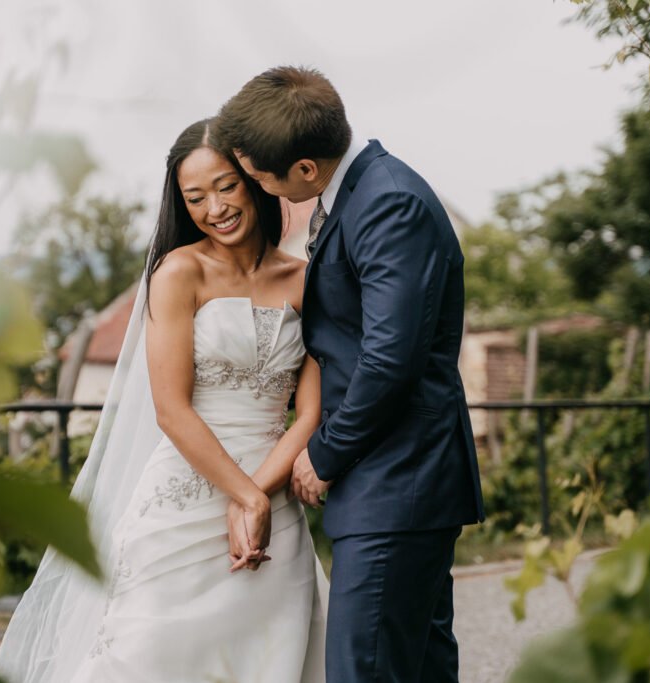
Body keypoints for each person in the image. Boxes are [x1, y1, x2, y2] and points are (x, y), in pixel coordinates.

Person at [0, 118, 327, 683]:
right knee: (150, 649)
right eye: (195, 197)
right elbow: (171, 410)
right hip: (186, 498)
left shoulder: (305, 279)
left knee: (268, 655)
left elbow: (311, 413)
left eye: (225, 187)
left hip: (271, 493)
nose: (215, 207)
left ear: (252, 179)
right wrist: (247, 499)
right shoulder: (179, 272)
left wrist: (260, 497)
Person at [215, 66, 486, 683]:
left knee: (363, 671)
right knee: (418, 667)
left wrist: (325, 453)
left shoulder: (386, 202)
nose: (259, 189)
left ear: (306, 169)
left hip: (398, 477)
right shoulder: (358, 193)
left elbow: (391, 356)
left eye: (261, 177)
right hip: (393, 480)